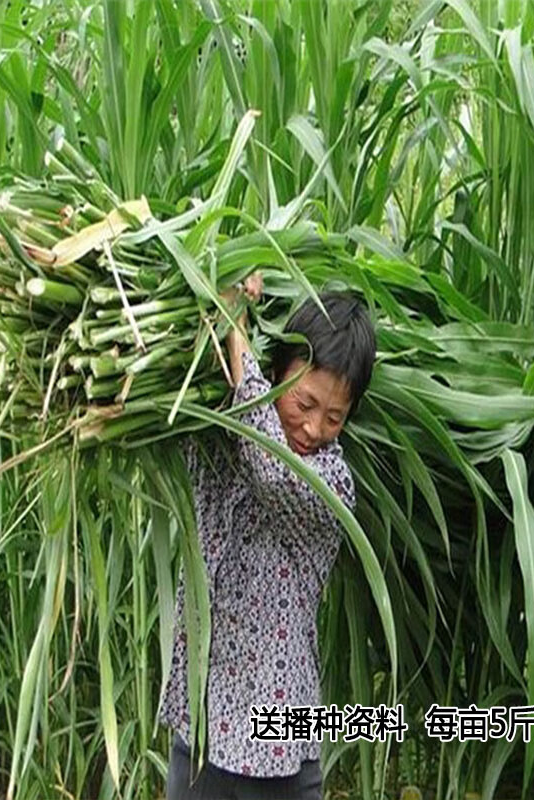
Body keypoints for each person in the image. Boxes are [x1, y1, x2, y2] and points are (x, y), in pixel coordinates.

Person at [159, 273, 376, 800]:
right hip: (203, 721)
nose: (313, 429)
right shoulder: (222, 430)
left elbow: (271, 466)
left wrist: (236, 326)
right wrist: (222, 304)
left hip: (275, 743)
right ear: (275, 370)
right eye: (303, 404)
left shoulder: (331, 484)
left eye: (334, 417)